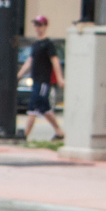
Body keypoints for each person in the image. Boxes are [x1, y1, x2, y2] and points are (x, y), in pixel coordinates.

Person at [17, 14, 65, 142]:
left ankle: (25, 135)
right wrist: (19, 75)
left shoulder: (48, 44)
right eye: (36, 25)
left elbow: (55, 61)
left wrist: (60, 78)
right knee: (45, 109)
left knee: (33, 107)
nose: (37, 27)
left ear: (45, 26)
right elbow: (29, 62)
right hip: (35, 80)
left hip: (43, 82)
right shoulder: (36, 44)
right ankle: (59, 133)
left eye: (40, 25)